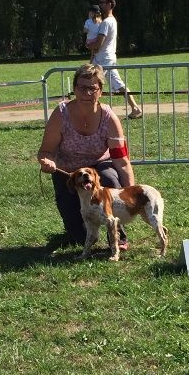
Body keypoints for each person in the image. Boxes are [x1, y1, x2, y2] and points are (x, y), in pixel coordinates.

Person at [37, 63, 135, 248]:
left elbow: (121, 162)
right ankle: (78, 227)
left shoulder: (109, 118)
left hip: (99, 167)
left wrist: (130, 192)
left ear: (101, 91)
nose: (87, 93)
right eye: (82, 88)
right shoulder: (60, 114)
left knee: (110, 180)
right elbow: (45, 151)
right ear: (74, 89)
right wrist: (47, 162)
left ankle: (118, 235)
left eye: (92, 88)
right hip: (67, 172)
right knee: (80, 239)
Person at [87, 0, 142, 119]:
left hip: (103, 60)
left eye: (102, 2)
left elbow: (98, 44)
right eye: (100, 2)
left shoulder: (106, 23)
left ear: (110, 4)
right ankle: (135, 108)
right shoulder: (113, 21)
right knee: (118, 84)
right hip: (108, 58)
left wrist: (88, 45)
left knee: (91, 83)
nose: (100, 4)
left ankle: (91, 112)